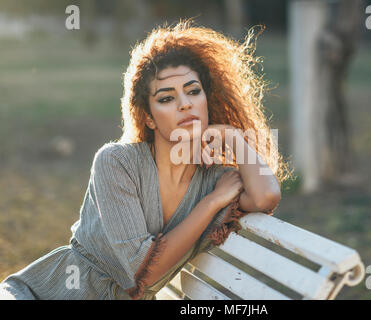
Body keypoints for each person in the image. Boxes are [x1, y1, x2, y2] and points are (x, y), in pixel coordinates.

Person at [0, 20, 289, 300]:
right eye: (166, 98)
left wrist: (233, 137)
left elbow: (266, 197)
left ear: (206, 99)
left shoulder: (215, 180)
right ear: (149, 118)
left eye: (193, 91)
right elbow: (141, 275)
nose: (185, 103)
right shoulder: (116, 162)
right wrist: (210, 203)